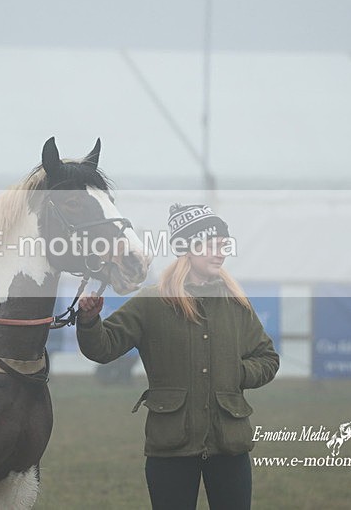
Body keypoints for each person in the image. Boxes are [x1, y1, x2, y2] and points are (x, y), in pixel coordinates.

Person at [77, 203, 279, 510]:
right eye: (211, 244)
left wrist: (238, 374)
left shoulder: (237, 304)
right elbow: (102, 348)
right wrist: (90, 321)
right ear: (187, 248)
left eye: (224, 245)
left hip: (230, 446)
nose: (220, 252)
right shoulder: (150, 303)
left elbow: (267, 358)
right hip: (170, 447)